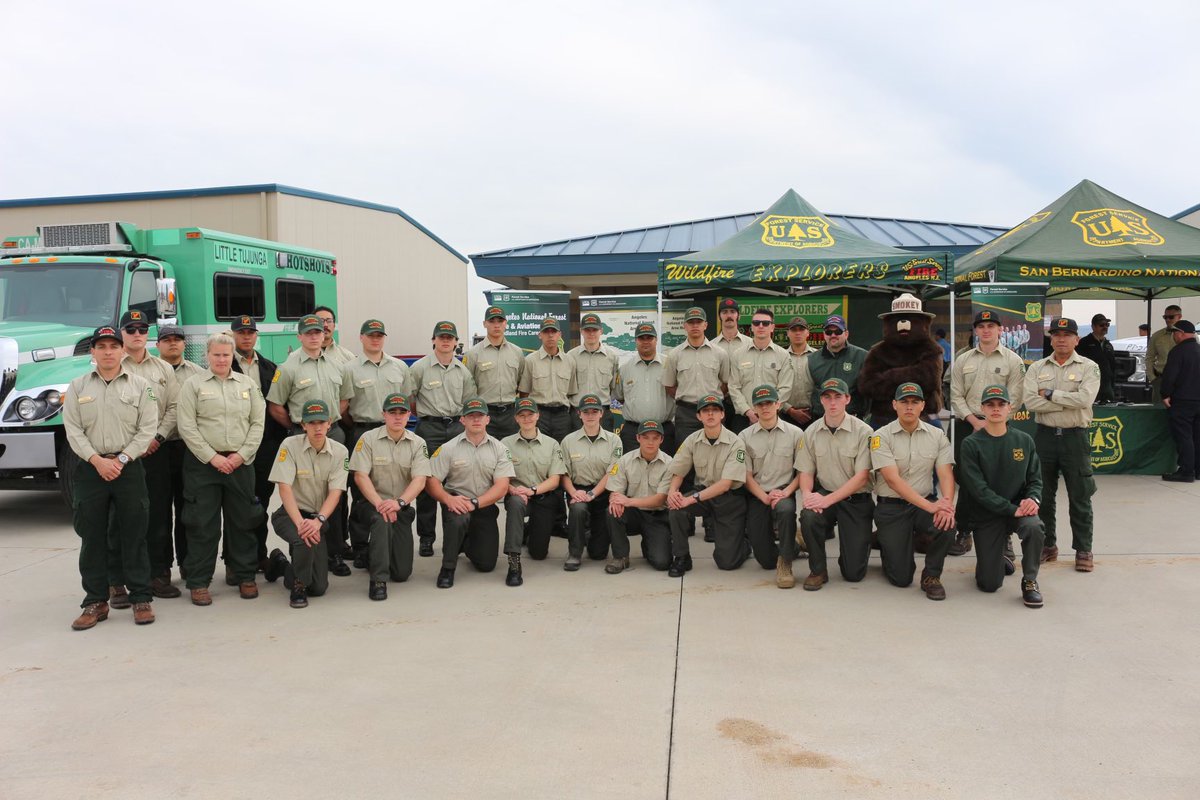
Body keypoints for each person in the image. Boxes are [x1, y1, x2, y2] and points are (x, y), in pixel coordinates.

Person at [63, 325, 159, 630]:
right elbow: (73, 430)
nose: (108, 352)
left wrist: (120, 459)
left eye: (113, 346)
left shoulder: (141, 386)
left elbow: (147, 428)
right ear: (92, 352)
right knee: (91, 536)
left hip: (128, 468)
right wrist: (96, 460)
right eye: (101, 347)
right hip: (91, 470)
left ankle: (140, 598)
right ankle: (95, 601)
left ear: (122, 351)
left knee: (134, 532)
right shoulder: (78, 387)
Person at [175, 333, 266, 605]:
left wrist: (241, 455)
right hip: (203, 466)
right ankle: (199, 582)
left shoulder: (247, 385)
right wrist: (213, 458)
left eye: (226, 355)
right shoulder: (193, 385)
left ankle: (244, 575)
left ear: (232, 356)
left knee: (243, 521)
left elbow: (257, 424)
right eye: (217, 354)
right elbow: (187, 427)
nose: (222, 359)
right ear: (207, 356)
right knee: (202, 524)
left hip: (240, 464)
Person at [266, 313, 354, 575]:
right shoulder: (288, 367)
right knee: (304, 493)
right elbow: (276, 406)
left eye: (319, 331)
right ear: (300, 336)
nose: (316, 336)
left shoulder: (339, 365)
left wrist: (327, 426)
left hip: (334, 434)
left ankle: (335, 552)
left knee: (336, 495)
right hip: (300, 436)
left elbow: (344, 400)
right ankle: (305, 543)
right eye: (309, 332)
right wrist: (296, 430)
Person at [957, 385, 1046, 608]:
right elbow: (978, 490)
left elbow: (1035, 480)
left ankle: (1030, 581)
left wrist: (1032, 500)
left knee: (1034, 527)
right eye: (990, 405)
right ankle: (999, 556)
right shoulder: (971, 444)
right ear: (982, 409)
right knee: (988, 584)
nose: (996, 409)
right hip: (987, 514)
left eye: (1001, 404)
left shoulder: (1024, 440)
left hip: (1018, 510)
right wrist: (1010, 508)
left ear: (1010, 408)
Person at [113, 310, 181, 600]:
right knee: (121, 518)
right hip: (122, 456)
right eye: (131, 329)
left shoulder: (162, 368)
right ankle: (117, 580)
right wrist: (131, 447)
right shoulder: (111, 364)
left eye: (142, 329)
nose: (137, 334)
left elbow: (174, 407)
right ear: (122, 334)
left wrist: (158, 437)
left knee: (159, 515)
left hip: (156, 452)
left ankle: (159, 574)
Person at [1023, 318, 1100, 572]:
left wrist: (1051, 394)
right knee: (1043, 496)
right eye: (1056, 334)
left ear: (1077, 339)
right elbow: (1031, 403)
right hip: (1044, 436)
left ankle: (1083, 549)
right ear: (1051, 338)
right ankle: (1048, 545)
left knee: (1080, 495)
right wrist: (1069, 400)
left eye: (1067, 334)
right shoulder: (1036, 368)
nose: (1061, 339)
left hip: (1075, 437)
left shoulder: (1089, 367)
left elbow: (1086, 399)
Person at [948, 309, 1026, 556]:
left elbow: (1015, 397)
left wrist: (993, 421)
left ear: (1000, 330)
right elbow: (955, 394)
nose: (986, 330)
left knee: (1002, 480)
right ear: (976, 330)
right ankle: (964, 531)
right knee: (966, 479)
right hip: (967, 425)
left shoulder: (1013, 361)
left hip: (1000, 427)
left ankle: (1004, 536)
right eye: (981, 327)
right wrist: (973, 420)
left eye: (991, 326)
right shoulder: (963, 359)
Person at [870, 383, 956, 600]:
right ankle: (885, 539)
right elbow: (892, 480)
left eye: (914, 402)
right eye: (904, 402)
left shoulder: (937, 435)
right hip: (892, 508)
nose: (909, 407)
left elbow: (945, 474)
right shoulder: (881, 436)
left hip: (924, 502)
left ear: (922, 406)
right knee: (901, 578)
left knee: (947, 524)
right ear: (894, 405)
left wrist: (946, 505)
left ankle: (931, 576)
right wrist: (931, 506)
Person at [342, 319, 413, 567]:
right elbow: (344, 408)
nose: (375, 339)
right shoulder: (349, 369)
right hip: (363, 431)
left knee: (391, 484)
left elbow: (407, 399)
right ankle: (361, 546)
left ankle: (390, 535)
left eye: (379, 335)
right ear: (361, 337)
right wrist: (359, 429)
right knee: (360, 491)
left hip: (393, 432)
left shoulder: (400, 367)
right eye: (371, 335)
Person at [425, 398, 516, 589]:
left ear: (487, 420)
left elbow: (501, 486)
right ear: (462, 420)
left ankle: (466, 542)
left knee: (486, 565)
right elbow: (432, 481)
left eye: (480, 416)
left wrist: (475, 503)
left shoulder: (500, 449)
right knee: (458, 520)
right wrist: (448, 499)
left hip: (484, 505)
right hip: (457, 504)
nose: (476, 420)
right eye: (471, 416)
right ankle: (448, 568)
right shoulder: (448, 448)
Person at [348, 393, 431, 600]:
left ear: (409, 415)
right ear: (383, 414)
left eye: (402, 412)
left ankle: (372, 554)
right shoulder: (367, 439)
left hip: (400, 506)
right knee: (381, 519)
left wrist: (399, 503)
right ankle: (378, 580)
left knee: (402, 573)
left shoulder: (418, 443)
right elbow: (360, 476)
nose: (397, 417)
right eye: (392, 412)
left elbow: (419, 480)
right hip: (371, 505)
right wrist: (381, 504)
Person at [268, 399, 349, 609]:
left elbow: (336, 492)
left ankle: (280, 563)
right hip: (290, 515)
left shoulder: (340, 452)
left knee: (320, 587)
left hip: (318, 519)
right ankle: (298, 586)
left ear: (330, 423)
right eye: (312, 423)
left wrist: (319, 521)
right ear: (303, 425)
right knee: (303, 540)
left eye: (322, 422)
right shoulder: (289, 446)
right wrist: (301, 524)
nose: (318, 427)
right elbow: (284, 487)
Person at [797, 378, 874, 590]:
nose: (833, 403)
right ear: (821, 400)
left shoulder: (864, 432)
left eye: (838, 397)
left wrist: (825, 500)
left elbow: (862, 477)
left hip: (856, 500)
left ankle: (861, 545)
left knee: (853, 574)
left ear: (847, 399)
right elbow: (806, 470)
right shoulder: (810, 432)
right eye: (827, 397)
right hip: (826, 494)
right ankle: (818, 570)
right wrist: (807, 495)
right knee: (809, 515)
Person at [409, 320, 477, 557]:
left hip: (456, 429)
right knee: (428, 483)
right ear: (434, 340)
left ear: (456, 342)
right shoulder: (419, 368)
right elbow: (410, 399)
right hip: (430, 429)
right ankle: (427, 538)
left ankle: (457, 536)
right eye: (442, 337)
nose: (446, 341)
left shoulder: (463, 371)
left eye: (450, 337)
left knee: (457, 481)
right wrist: (429, 419)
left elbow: (469, 403)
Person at [666, 394, 749, 576]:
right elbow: (679, 470)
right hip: (703, 492)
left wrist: (691, 499)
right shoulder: (692, 440)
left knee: (727, 562)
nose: (710, 414)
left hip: (729, 500)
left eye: (715, 410)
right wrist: (673, 492)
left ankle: (742, 544)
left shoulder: (736, 442)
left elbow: (726, 484)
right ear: (698, 416)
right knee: (676, 508)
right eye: (705, 411)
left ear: (722, 415)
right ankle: (681, 557)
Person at [230, 315, 287, 572]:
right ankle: (235, 562)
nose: (246, 336)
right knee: (236, 507)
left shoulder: (270, 367)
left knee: (260, 504)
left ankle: (258, 555)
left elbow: (277, 404)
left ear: (256, 336)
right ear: (233, 335)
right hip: (234, 446)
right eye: (241, 332)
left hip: (265, 446)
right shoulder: (224, 364)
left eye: (250, 332)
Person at [738, 385, 804, 587]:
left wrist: (786, 492)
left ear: (778, 404)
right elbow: (746, 476)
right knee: (765, 560)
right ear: (754, 408)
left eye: (769, 403)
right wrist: (764, 497)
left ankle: (785, 563)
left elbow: (803, 472)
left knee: (786, 511)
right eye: (760, 404)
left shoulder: (796, 433)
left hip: (785, 491)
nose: (765, 407)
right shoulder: (744, 436)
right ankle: (796, 544)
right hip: (758, 494)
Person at [155, 324, 206, 581]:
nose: (172, 343)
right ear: (158, 345)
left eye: (177, 339)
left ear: (185, 344)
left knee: (189, 510)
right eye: (167, 339)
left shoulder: (198, 374)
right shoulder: (148, 372)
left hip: (188, 449)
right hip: (157, 449)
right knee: (160, 511)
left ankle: (189, 564)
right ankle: (162, 568)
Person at [501, 398, 567, 577]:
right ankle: (513, 560)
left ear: (538, 416)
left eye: (530, 414)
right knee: (515, 504)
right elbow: (499, 476)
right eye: (522, 415)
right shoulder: (505, 444)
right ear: (516, 419)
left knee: (539, 554)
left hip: (543, 497)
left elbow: (555, 480)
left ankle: (528, 530)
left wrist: (532, 491)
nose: (526, 418)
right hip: (517, 495)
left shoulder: (552, 444)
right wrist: (512, 490)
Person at [560, 394, 623, 570]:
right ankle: (574, 553)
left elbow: (613, 472)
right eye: (586, 412)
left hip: (602, 492)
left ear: (601, 413)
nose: (590, 415)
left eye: (594, 411)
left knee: (598, 554)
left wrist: (593, 493)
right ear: (579, 414)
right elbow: (563, 473)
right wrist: (573, 493)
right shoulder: (568, 441)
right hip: (578, 491)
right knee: (578, 509)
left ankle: (588, 534)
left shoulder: (614, 440)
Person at [607, 420, 673, 573]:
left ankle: (650, 544)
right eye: (645, 437)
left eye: (655, 438)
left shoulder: (670, 464)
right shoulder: (625, 460)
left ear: (662, 439)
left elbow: (660, 499)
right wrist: (615, 499)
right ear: (638, 438)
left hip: (656, 515)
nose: (650, 442)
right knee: (612, 510)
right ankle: (620, 557)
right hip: (633, 514)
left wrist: (628, 501)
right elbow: (615, 489)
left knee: (662, 563)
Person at [662, 306, 732, 451]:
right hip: (686, 413)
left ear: (705, 325)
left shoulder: (720, 353)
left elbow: (726, 383)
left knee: (716, 452)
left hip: (713, 410)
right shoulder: (674, 355)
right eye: (691, 322)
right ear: (685, 326)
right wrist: (686, 396)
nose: (695, 326)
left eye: (698, 322)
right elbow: (669, 386)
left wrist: (713, 401)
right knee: (684, 456)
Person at [463, 305, 525, 440]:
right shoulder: (473, 354)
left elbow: (521, 383)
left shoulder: (517, 352)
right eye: (492, 321)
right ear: (485, 324)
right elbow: (467, 387)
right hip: (484, 413)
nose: (496, 325)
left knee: (511, 455)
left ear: (505, 324)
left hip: (510, 414)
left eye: (500, 321)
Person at [614, 322, 675, 455]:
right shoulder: (625, 369)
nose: (646, 342)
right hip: (633, 432)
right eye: (642, 338)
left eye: (649, 338)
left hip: (663, 430)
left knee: (664, 472)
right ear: (636, 341)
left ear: (656, 340)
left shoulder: (669, 365)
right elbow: (620, 396)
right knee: (632, 471)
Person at [728, 309, 793, 433]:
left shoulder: (783, 355)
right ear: (752, 327)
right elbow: (734, 387)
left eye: (765, 323)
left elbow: (785, 388)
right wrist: (748, 411)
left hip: (773, 418)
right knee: (740, 452)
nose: (761, 326)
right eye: (757, 323)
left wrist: (767, 411)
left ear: (772, 327)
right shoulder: (738, 355)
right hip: (744, 418)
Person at [517, 317, 576, 441]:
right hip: (539, 415)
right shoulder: (530, 360)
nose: (550, 335)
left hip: (562, 415)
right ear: (540, 335)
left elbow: (571, 392)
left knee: (562, 452)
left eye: (553, 332)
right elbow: (524, 393)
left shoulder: (569, 361)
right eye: (546, 332)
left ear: (560, 334)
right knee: (538, 450)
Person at [1160, 319, 1200, 483]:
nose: (1174, 336)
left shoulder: (1178, 351)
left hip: (1183, 400)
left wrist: (1165, 394)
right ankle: (1198, 470)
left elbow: (1170, 376)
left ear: (1181, 333)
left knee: (1184, 437)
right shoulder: (1199, 350)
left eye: (1175, 333)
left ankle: (1186, 471)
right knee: (1197, 436)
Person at [806, 315, 867, 417]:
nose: (833, 335)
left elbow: (868, 392)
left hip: (853, 419)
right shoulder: (812, 359)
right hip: (821, 420)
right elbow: (807, 392)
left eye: (838, 331)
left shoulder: (862, 356)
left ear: (846, 334)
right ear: (824, 335)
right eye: (829, 332)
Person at [569, 313, 620, 431]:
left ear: (601, 331)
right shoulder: (571, 356)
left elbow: (613, 387)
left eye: (594, 330)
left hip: (603, 413)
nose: (591, 333)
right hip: (578, 414)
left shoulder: (612, 357)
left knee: (604, 448)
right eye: (587, 330)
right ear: (581, 331)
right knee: (576, 449)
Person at [711, 298, 752, 432]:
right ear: (719, 316)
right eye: (725, 312)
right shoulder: (711, 346)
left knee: (741, 442)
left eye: (733, 312)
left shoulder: (750, 344)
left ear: (738, 316)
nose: (729, 315)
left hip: (744, 403)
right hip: (719, 403)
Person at [782, 317, 816, 429]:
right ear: (788, 333)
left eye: (801, 329)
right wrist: (790, 410)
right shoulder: (780, 356)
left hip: (814, 415)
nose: (797, 333)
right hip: (786, 415)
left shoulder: (818, 356)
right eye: (793, 330)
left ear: (807, 333)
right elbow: (775, 385)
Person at [1076, 313, 1117, 403]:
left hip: (1106, 384)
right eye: (1101, 325)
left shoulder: (1108, 345)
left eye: (1107, 325)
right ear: (1093, 326)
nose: (1105, 327)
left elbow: (1113, 366)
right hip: (1089, 383)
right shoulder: (1084, 343)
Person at [1148, 305, 1183, 403]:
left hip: (1181, 380)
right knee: (1158, 412)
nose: (1167, 320)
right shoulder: (1157, 336)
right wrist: (1152, 378)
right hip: (1160, 379)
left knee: (1180, 410)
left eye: (1171, 317)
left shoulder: (1188, 335)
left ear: (1179, 317)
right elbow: (1149, 357)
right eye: (1165, 317)